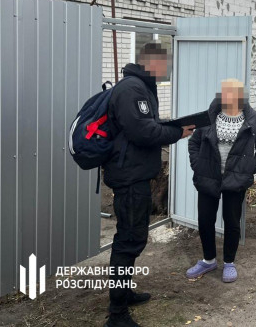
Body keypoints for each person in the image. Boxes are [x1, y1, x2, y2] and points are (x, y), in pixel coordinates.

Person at [103, 44, 195, 327]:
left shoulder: (141, 87)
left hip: (136, 177)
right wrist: (176, 132)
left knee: (133, 238)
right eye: (163, 63)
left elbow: (145, 124)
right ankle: (117, 315)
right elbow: (142, 131)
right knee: (128, 241)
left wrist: (172, 126)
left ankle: (124, 293)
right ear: (150, 62)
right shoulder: (132, 89)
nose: (167, 68)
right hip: (130, 180)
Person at [186, 79, 256, 283]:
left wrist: (251, 167)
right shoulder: (209, 116)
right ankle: (208, 260)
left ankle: (229, 263)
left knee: (232, 222)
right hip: (208, 176)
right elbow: (194, 143)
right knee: (205, 220)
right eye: (225, 92)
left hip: (236, 179)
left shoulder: (252, 118)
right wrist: (198, 164)